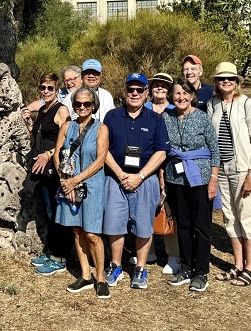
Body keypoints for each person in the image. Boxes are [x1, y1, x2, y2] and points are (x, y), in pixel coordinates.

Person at [102, 73, 170, 290]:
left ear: (146, 93)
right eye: (130, 89)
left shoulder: (156, 119)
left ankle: (140, 268)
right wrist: (121, 174)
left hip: (145, 179)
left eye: (139, 90)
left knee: (143, 226)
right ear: (124, 92)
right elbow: (103, 149)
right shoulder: (112, 116)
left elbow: (161, 153)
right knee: (114, 223)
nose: (134, 93)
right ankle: (116, 266)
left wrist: (140, 177)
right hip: (115, 178)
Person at [205, 62, 251, 287]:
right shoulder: (213, 104)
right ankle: (238, 264)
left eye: (230, 78)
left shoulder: (248, 104)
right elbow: (212, 139)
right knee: (229, 217)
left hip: (242, 168)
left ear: (237, 82)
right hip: (222, 169)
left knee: (246, 216)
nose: (226, 82)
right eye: (221, 79)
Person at [162, 78, 220, 293]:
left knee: (201, 226)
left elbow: (215, 150)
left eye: (185, 93)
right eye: (177, 93)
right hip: (174, 178)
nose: (181, 97)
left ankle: (201, 271)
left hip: (201, 178)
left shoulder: (203, 118)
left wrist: (213, 179)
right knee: (183, 225)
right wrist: (161, 176)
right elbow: (161, 148)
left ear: (193, 96)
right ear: (171, 96)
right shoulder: (165, 117)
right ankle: (186, 267)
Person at [53, 87, 111, 298]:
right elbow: (58, 154)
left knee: (93, 234)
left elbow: (100, 160)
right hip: (68, 184)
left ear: (93, 105)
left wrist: (75, 181)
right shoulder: (67, 126)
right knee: (77, 231)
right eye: (78, 104)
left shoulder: (101, 128)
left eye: (87, 103)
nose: (83, 107)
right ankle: (86, 275)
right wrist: (65, 181)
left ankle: (101, 278)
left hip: (91, 185)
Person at [22, 73, 72, 275]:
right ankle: (51, 252)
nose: (46, 91)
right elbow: (37, 138)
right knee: (49, 211)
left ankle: (60, 258)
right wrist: (28, 124)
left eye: (50, 88)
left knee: (58, 210)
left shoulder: (61, 110)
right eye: (43, 88)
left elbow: (67, 138)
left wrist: (49, 154)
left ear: (57, 89)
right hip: (40, 169)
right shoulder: (43, 110)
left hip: (54, 168)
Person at [143, 72, 178, 273]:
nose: (160, 89)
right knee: (145, 209)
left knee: (169, 209)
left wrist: (163, 172)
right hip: (146, 165)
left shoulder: (175, 110)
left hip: (170, 165)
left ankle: (173, 255)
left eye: (164, 86)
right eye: (156, 85)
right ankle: (148, 252)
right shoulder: (144, 108)